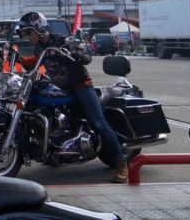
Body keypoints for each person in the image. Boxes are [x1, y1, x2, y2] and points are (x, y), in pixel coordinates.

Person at [17, 11, 129, 183]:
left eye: (29, 33)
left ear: (40, 29)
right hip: (60, 88)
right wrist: (20, 59)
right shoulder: (39, 47)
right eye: (25, 33)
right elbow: (36, 62)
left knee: (98, 122)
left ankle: (121, 163)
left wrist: (77, 54)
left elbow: (87, 58)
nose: (27, 37)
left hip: (80, 86)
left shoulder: (62, 40)